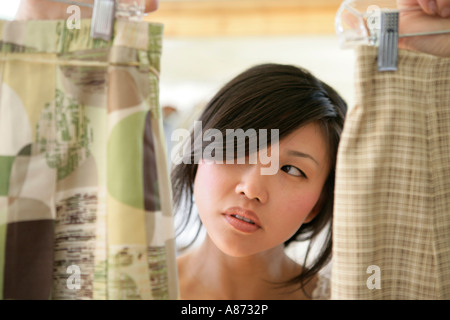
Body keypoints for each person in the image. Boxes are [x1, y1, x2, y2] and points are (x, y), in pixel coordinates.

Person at [172, 63, 348, 300]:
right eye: (238, 149)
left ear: (318, 203)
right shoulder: (129, 290)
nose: (252, 189)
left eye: (290, 169)